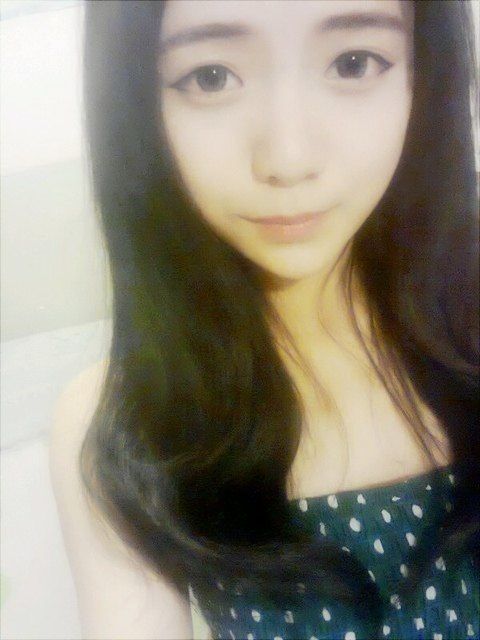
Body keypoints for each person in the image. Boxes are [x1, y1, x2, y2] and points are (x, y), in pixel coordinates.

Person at [49, 1, 479, 639]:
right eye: (211, 77)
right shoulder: (124, 420)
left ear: (425, 73)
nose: (288, 159)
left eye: (354, 63)